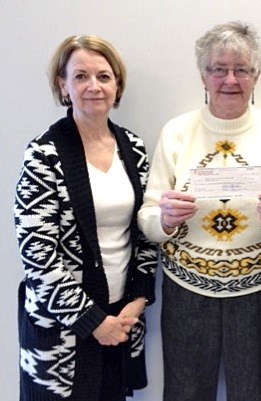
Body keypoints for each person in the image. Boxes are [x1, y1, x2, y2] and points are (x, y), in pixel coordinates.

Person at [138, 21, 261, 401]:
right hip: (187, 290)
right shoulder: (176, 133)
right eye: (219, 69)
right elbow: (147, 220)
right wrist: (165, 220)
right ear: (203, 75)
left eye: (242, 70)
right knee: (184, 393)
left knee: (257, 393)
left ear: (257, 76)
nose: (230, 80)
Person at [13, 35, 158, 401]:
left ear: (117, 85)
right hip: (63, 326)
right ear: (63, 85)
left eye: (104, 76)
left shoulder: (134, 149)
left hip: (121, 318)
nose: (94, 86)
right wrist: (93, 322)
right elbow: (37, 255)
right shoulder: (43, 154)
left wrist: (139, 298)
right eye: (80, 76)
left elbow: (143, 234)